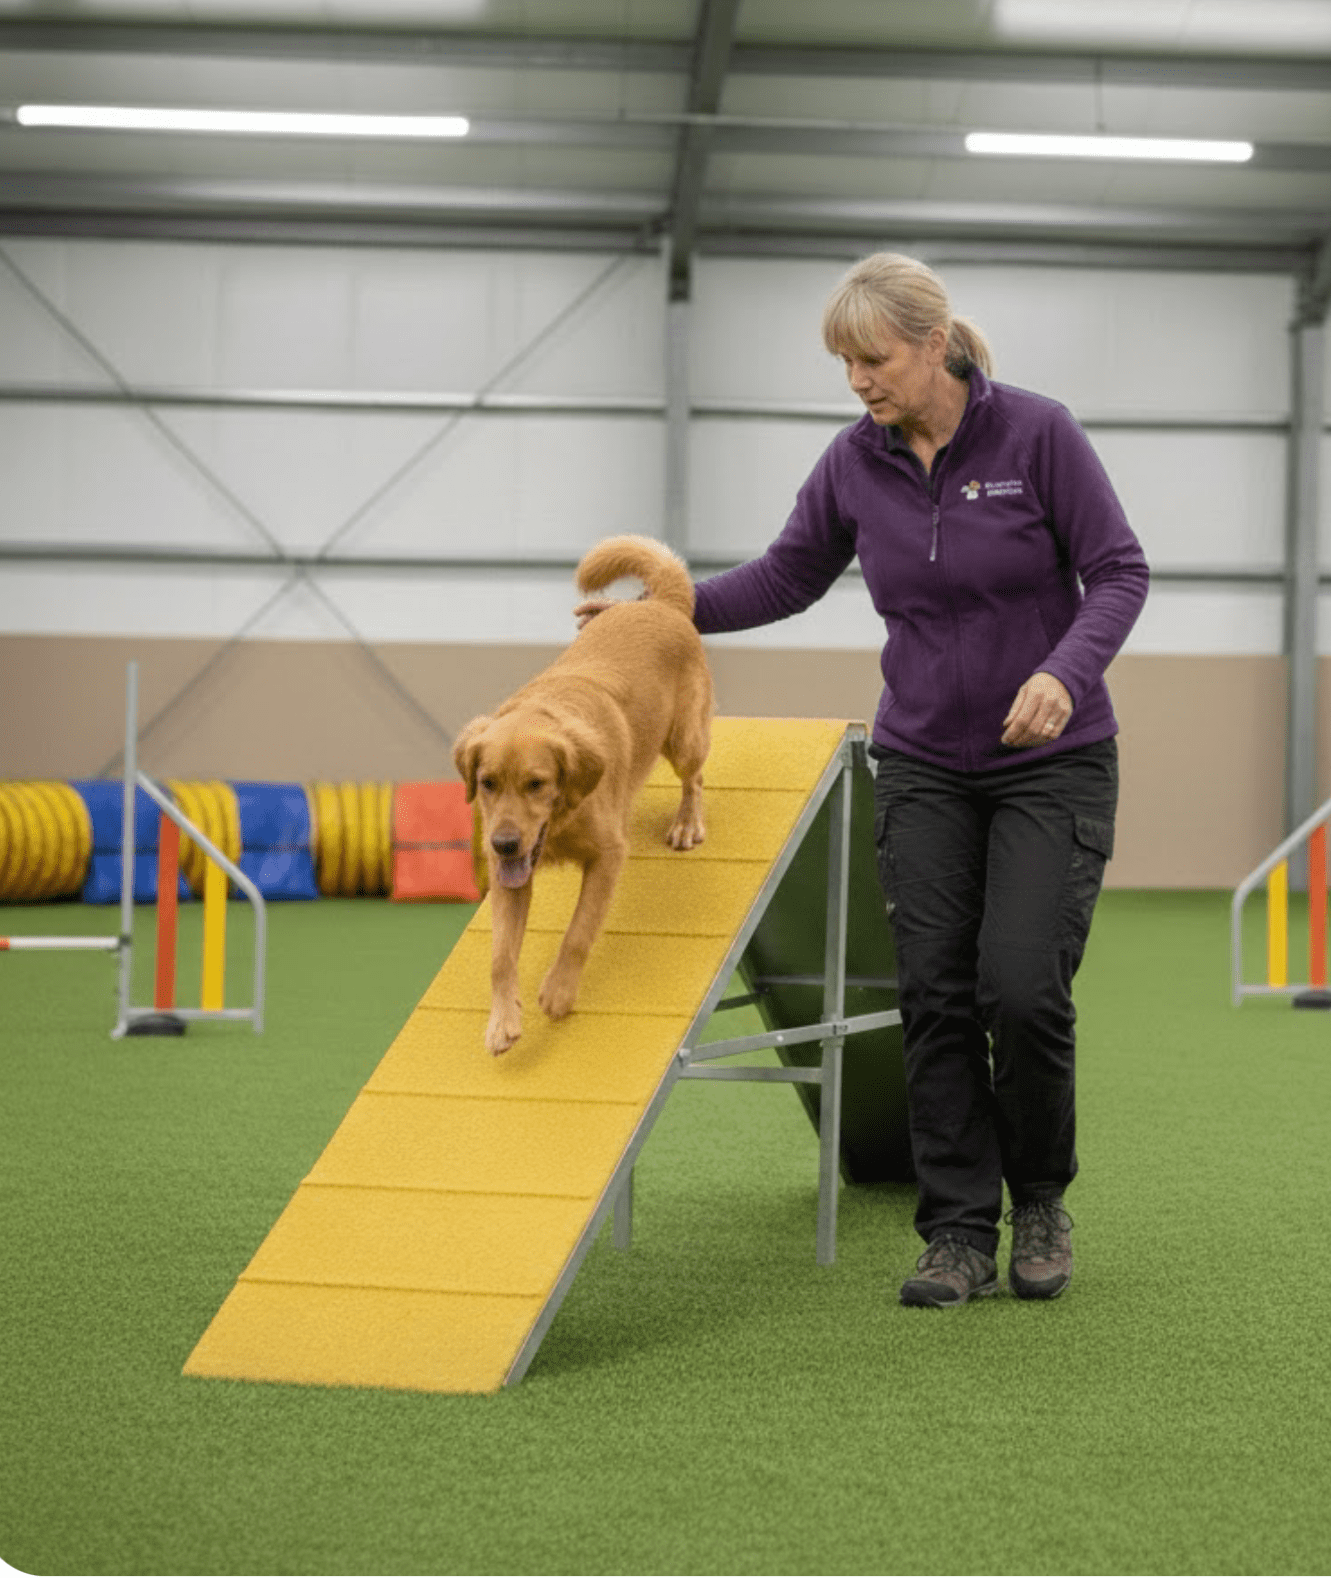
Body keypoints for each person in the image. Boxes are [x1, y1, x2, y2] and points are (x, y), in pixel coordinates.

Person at [580, 252, 1149, 1307]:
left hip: (1051, 763)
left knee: (1018, 989)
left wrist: (1062, 675)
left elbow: (1118, 570)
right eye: (842, 363)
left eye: (871, 358)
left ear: (934, 346)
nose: (856, 381)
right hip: (924, 762)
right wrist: (657, 616)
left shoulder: (1037, 434)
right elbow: (786, 576)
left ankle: (1038, 1203)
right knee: (929, 996)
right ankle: (955, 1234)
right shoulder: (853, 463)